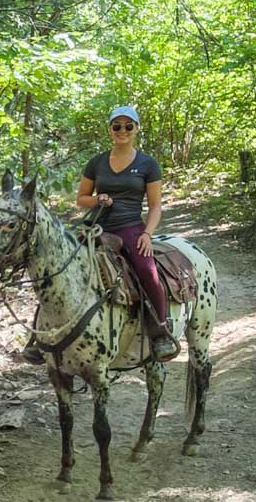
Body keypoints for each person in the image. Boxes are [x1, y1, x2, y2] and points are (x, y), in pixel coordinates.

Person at [76, 105, 180, 361]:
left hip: (130, 226)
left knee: (147, 270)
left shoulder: (148, 164)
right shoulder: (96, 162)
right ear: (110, 130)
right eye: (117, 126)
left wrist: (147, 234)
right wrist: (97, 198)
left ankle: (161, 331)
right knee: (58, 263)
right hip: (97, 226)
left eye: (128, 126)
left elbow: (155, 206)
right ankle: (43, 335)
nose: (122, 131)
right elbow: (81, 198)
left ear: (136, 129)